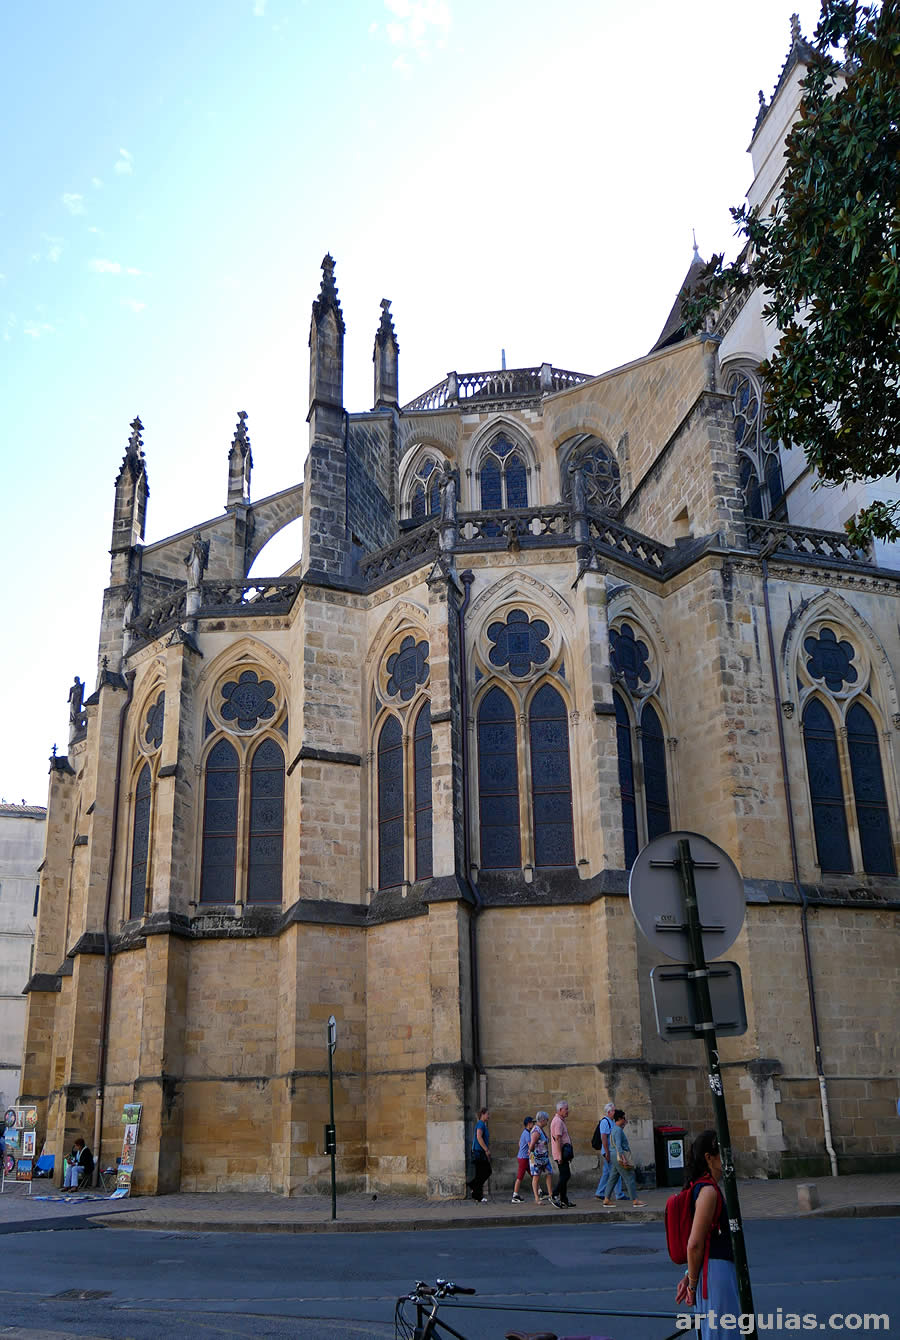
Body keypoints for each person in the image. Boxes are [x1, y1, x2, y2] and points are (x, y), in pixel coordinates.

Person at [674, 1130, 738, 1338]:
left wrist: (689, 1276)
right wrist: (692, 1284)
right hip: (715, 1274)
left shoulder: (704, 1188)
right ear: (709, 1158)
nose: (730, 1157)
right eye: (723, 1153)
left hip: (710, 1271)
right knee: (722, 1332)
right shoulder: (708, 1192)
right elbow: (695, 1244)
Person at [601, 1110, 645, 1208]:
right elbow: (618, 1145)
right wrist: (623, 1158)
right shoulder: (618, 1130)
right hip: (618, 1155)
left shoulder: (615, 1129)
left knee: (613, 1177)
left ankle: (606, 1199)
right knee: (629, 1177)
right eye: (624, 1118)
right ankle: (635, 1200)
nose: (625, 1120)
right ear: (620, 1119)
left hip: (613, 1155)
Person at [594, 1101, 627, 1201]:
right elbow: (604, 1138)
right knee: (616, 1172)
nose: (615, 1111)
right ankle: (619, 1194)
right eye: (613, 1110)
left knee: (607, 1173)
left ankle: (600, 1192)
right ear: (608, 1112)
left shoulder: (612, 1121)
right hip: (608, 1151)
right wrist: (607, 1153)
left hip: (612, 1151)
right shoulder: (605, 1122)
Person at [550, 1099, 575, 1208]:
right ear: (560, 1110)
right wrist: (560, 1156)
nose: (567, 1111)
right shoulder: (558, 1121)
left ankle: (564, 1199)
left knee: (564, 1175)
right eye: (566, 1109)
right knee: (566, 1175)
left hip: (563, 1154)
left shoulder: (560, 1121)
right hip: (560, 1154)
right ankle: (554, 1194)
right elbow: (558, 1139)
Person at [528, 1110, 553, 1204]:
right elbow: (532, 1144)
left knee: (549, 1173)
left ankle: (551, 1194)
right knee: (536, 1176)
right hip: (536, 1157)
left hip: (544, 1157)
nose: (547, 1121)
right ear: (542, 1120)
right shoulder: (536, 1130)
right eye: (546, 1120)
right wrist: (530, 1153)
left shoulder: (540, 1129)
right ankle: (537, 1198)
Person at [467, 1107, 491, 1203]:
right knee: (485, 1172)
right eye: (488, 1114)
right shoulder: (481, 1124)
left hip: (479, 1152)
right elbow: (478, 1137)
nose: (489, 1116)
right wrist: (486, 1150)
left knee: (481, 1173)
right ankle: (475, 1189)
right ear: (483, 1114)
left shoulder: (482, 1124)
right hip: (479, 1152)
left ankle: (476, 1192)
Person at [511, 1116, 534, 1203]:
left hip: (524, 1157)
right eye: (532, 1123)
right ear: (529, 1124)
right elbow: (530, 1146)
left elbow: (520, 1143)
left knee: (534, 1174)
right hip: (524, 1158)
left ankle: (540, 1191)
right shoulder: (527, 1134)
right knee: (520, 1177)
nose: (534, 1124)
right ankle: (515, 1196)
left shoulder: (524, 1132)